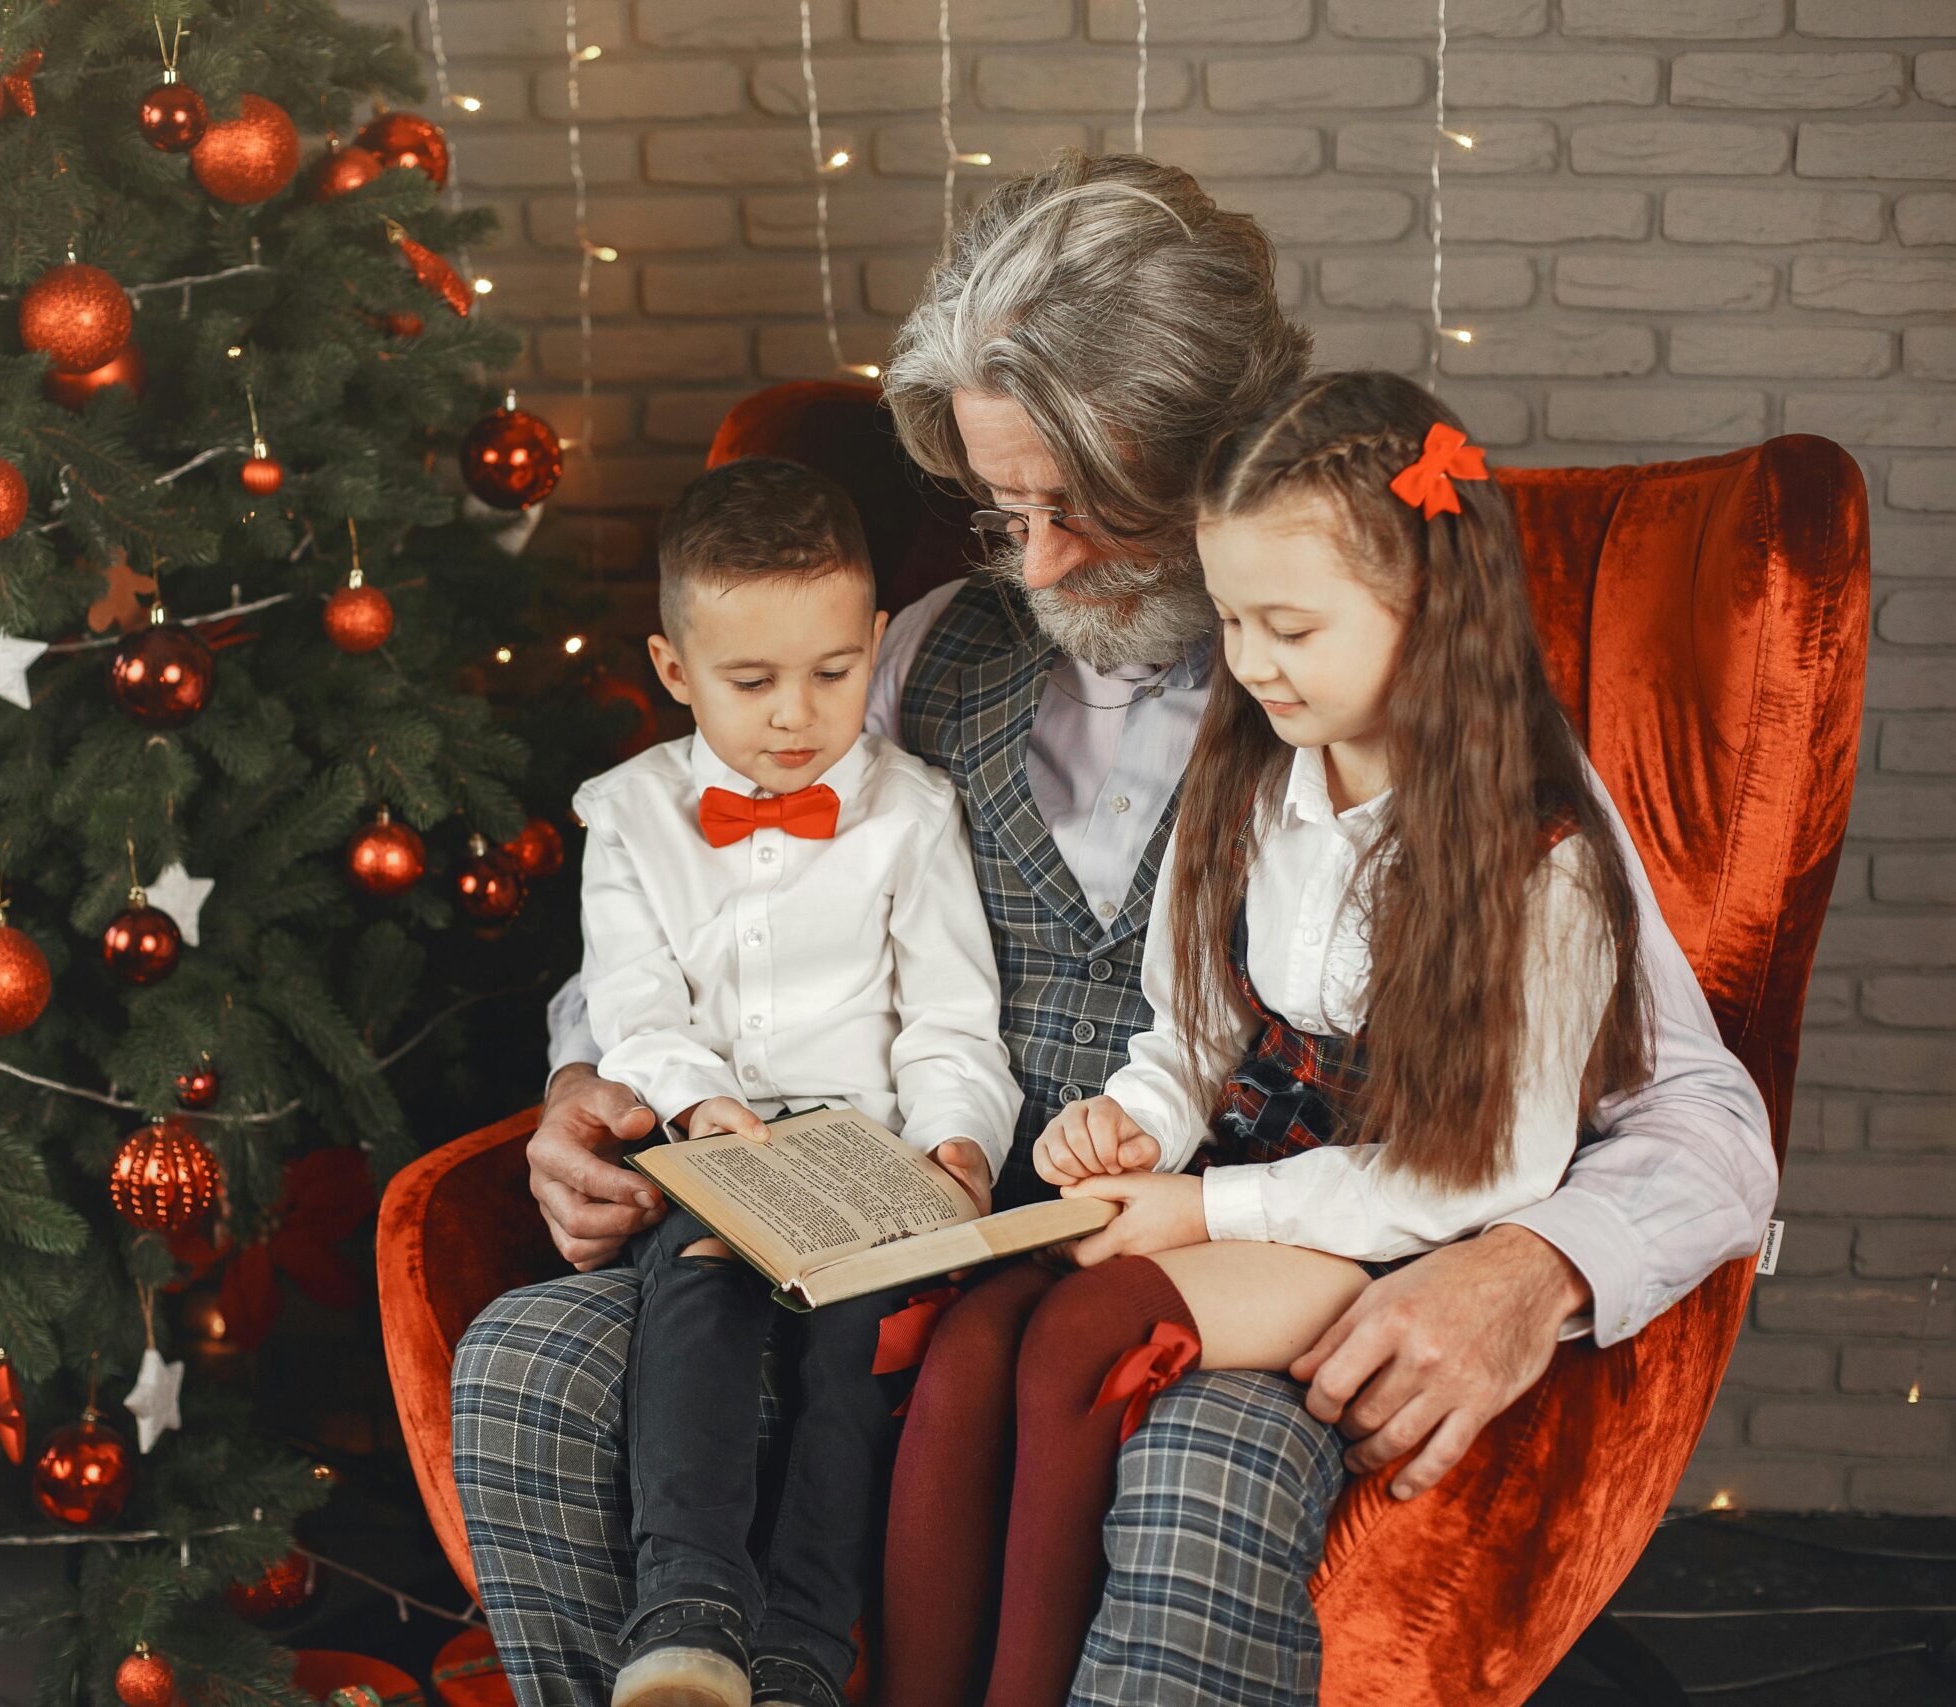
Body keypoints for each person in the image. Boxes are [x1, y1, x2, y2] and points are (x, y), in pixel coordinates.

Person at [452, 152, 1776, 1707]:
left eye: (1090, 507)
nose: (1042, 562)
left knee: (1197, 1475)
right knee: (531, 1368)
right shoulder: (918, 653)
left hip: (1236, 1255)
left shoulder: (1398, 705)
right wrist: (585, 1080)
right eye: (1006, 509)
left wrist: (1531, 1266)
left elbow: (1704, 1111)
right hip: (899, 1225)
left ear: (1227, 461)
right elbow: (692, 907)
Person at [879, 367, 1663, 1705]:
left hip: (1377, 1213)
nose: (1245, 662)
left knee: (1087, 1335)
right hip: (1233, 1177)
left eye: (1287, 626)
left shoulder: (1542, 865)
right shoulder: (1244, 777)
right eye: (1232, 618)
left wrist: (1203, 1206)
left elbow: (1481, 1172)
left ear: (1429, 613)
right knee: (968, 1340)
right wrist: (1137, 1119)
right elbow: (1191, 1025)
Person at [577, 459, 1017, 1707]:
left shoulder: (913, 815)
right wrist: (700, 1108)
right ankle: (687, 1613)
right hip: (711, 1151)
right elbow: (634, 1007)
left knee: (843, 1364)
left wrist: (957, 1149)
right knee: (698, 1316)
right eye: (751, 682)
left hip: (863, 1160)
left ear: (875, 646)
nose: (793, 716)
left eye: (832, 674)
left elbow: (950, 1018)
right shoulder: (627, 817)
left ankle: (805, 1653)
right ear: (673, 670)